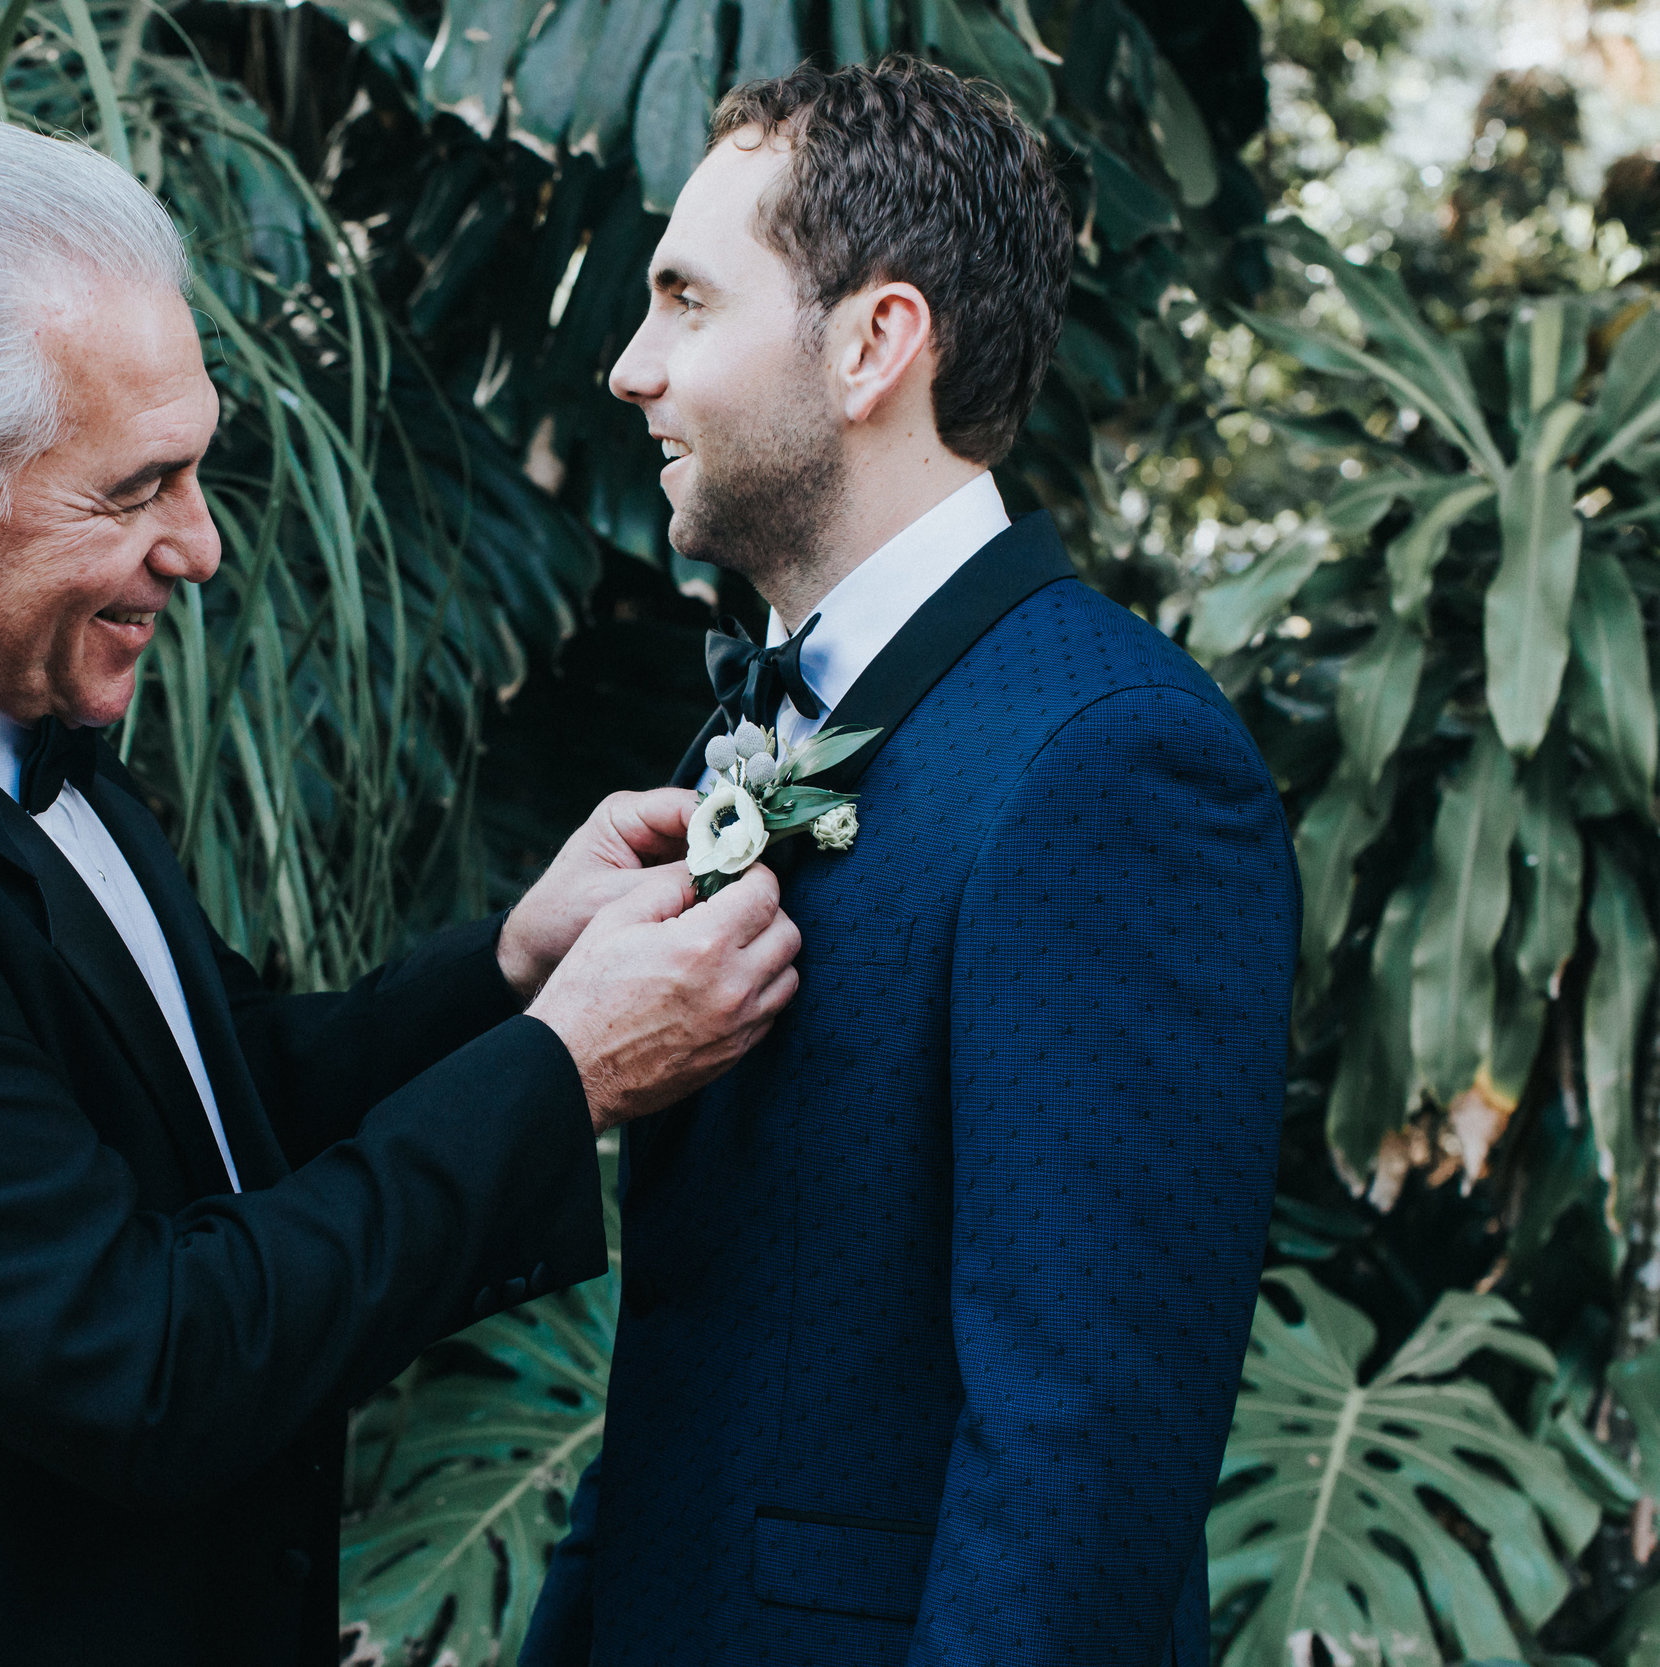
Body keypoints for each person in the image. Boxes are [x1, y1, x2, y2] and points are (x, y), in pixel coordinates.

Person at [0, 121, 803, 1667]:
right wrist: (567, 1076)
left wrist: (516, 969)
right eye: (137, 489)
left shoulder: (6, 721)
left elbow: (215, 1105)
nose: (198, 547)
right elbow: (153, 1365)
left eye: (195, 468)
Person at [520, 59, 1297, 1667]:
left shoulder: (1109, 759)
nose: (630, 367)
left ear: (877, 343)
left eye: (685, 302)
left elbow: (1081, 1462)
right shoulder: (764, 726)